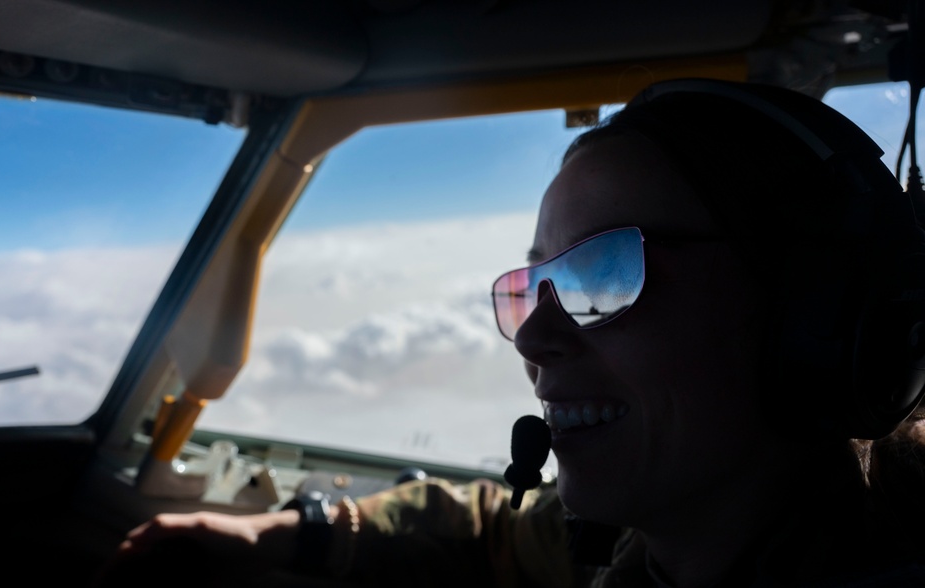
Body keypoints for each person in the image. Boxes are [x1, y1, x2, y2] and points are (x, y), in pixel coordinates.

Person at [97, 79, 925, 587]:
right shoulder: (647, 544)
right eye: (535, 286)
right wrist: (278, 532)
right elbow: (502, 536)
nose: (533, 343)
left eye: (606, 273)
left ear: (817, 316)